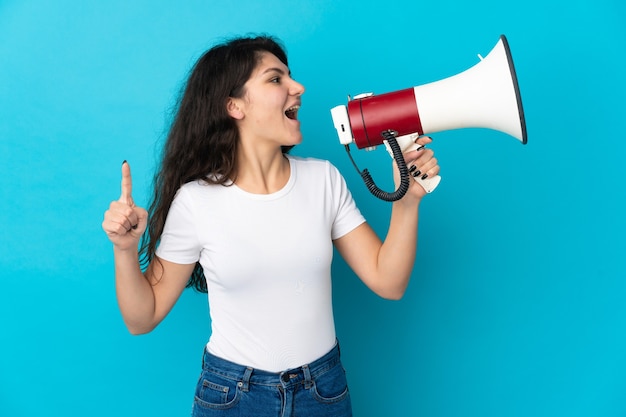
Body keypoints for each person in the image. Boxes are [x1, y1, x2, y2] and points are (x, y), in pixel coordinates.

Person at [102, 35, 439, 417]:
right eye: (276, 79)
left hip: (323, 392)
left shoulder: (322, 180)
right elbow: (141, 318)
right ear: (234, 106)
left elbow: (388, 281)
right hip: (233, 396)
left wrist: (407, 200)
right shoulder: (196, 201)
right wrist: (125, 250)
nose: (298, 88)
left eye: (290, 77)